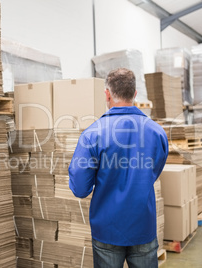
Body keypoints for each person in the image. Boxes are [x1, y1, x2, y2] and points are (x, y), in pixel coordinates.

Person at [68, 68, 168, 268]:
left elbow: (80, 188)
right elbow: (154, 171)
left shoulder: (92, 134)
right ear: (135, 94)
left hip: (107, 228)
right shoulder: (157, 132)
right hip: (143, 225)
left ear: (107, 94)